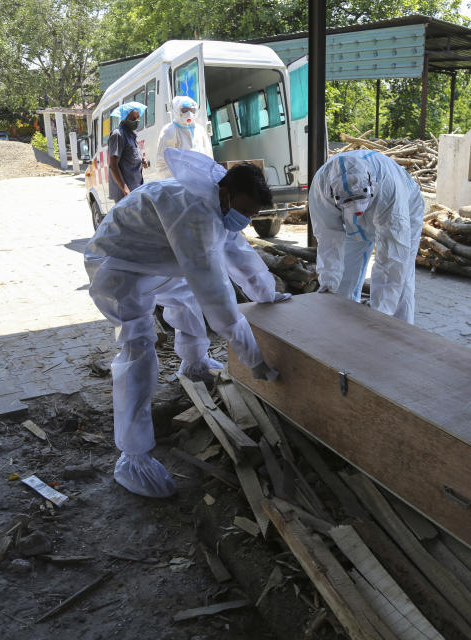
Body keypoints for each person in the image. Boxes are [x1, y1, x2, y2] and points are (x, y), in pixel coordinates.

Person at [84, 148, 285, 498]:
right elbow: (216, 294)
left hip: (155, 260)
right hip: (117, 268)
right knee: (139, 350)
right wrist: (254, 359)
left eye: (253, 214)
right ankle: (133, 457)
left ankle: (194, 364)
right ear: (227, 193)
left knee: (185, 299)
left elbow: (239, 254)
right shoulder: (193, 211)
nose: (247, 219)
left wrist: (268, 294)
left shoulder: (219, 205)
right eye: (246, 211)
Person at [309, 150, 424, 324]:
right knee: (344, 277)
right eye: (349, 202)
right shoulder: (320, 187)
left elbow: (392, 258)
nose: (358, 210)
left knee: (402, 277)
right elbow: (328, 237)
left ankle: (398, 331)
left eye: (360, 200)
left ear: (371, 182)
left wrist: (381, 315)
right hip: (353, 222)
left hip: (404, 208)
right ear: (333, 192)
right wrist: (328, 282)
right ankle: (340, 325)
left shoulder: (388, 188)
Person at [154, 96, 212, 178]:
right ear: (177, 110)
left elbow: (208, 155)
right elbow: (162, 163)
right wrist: (178, 180)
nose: (189, 113)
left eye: (192, 110)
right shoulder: (170, 131)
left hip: (201, 179)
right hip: (180, 183)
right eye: (184, 110)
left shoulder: (199, 130)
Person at [108, 101, 149, 203]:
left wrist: (141, 161)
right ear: (124, 117)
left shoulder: (132, 134)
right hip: (126, 193)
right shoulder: (118, 134)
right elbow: (113, 165)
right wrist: (125, 189)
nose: (136, 121)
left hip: (136, 188)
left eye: (138, 117)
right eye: (132, 118)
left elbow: (130, 156)